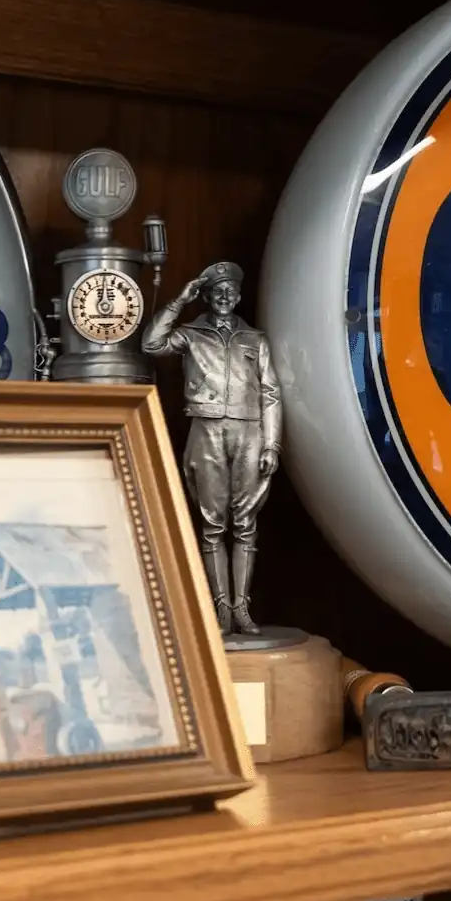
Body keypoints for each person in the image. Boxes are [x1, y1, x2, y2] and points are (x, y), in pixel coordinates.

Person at [142, 261, 280, 635]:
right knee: (212, 524)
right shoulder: (191, 334)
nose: (223, 296)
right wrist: (178, 301)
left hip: (249, 431)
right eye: (216, 290)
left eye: (229, 291)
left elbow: (270, 393)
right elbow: (151, 343)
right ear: (204, 295)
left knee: (246, 524)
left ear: (238, 296)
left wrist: (272, 445)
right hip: (205, 429)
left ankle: (243, 608)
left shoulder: (255, 339)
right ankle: (220, 606)